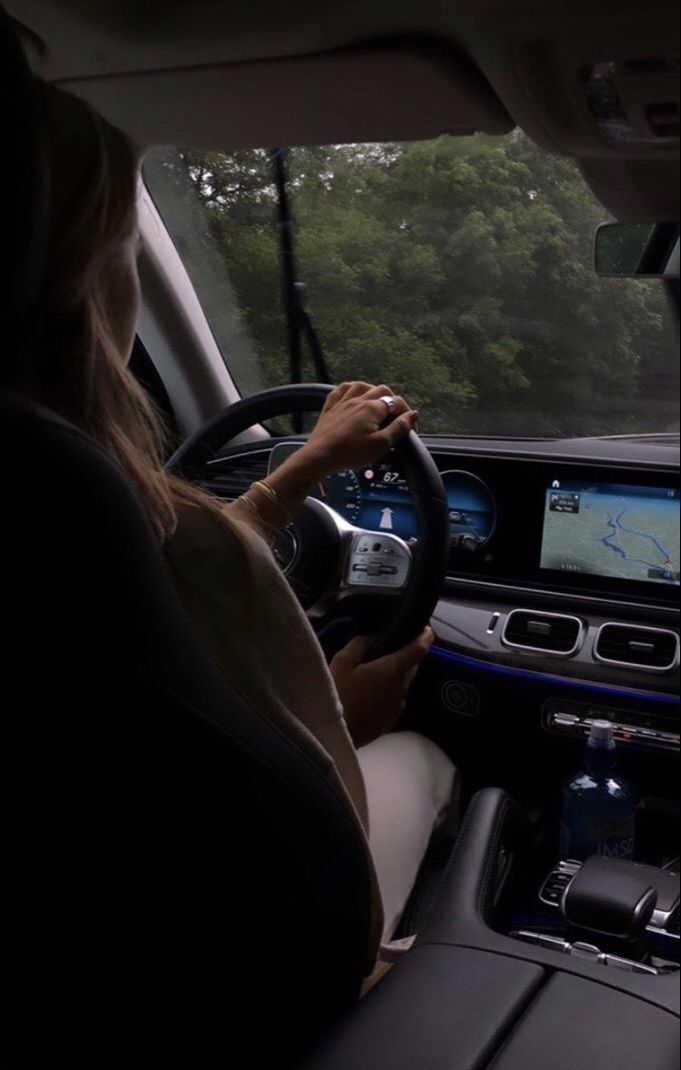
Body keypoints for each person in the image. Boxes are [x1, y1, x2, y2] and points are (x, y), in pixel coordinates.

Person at [18, 78, 457, 946]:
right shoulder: (141, 526)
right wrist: (340, 711)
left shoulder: (56, 501)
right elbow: (313, 844)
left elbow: (176, 552)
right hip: (247, 960)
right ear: (90, 286)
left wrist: (303, 468)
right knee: (422, 759)